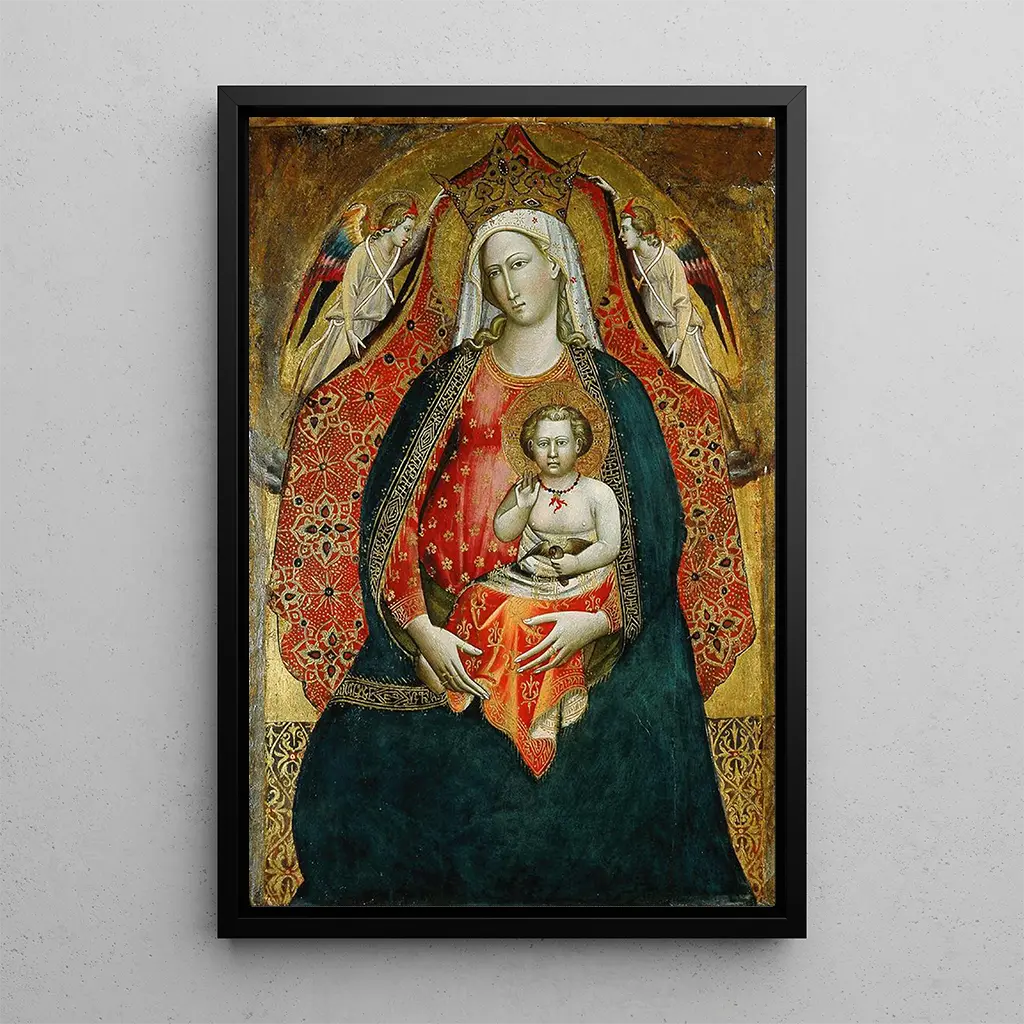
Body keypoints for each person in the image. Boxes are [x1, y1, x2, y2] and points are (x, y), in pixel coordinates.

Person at [283, 144, 752, 906]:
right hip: (454, 629)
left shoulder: (611, 387)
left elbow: (652, 527)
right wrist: (422, 632)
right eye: (493, 271)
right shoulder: (449, 381)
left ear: (560, 266)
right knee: (351, 782)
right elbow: (393, 510)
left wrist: (597, 621)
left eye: (520, 264)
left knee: (634, 762)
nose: (508, 284)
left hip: (586, 631)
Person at [442, 401, 622, 779]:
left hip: (582, 584)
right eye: (543, 444)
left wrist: (575, 564)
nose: (552, 453)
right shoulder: (527, 489)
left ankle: (540, 716)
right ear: (530, 448)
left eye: (561, 442)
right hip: (528, 578)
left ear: (579, 444)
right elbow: (504, 532)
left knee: (523, 617)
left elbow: (610, 547)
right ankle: (474, 681)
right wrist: (522, 507)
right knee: (475, 598)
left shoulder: (598, 493)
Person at [294, 191, 443, 395]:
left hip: (375, 328)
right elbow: (349, 291)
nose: (408, 236)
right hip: (351, 327)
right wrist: (350, 331)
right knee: (330, 381)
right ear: (391, 225)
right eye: (406, 229)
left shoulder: (394, 256)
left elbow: (414, 247)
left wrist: (434, 208)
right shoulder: (363, 253)